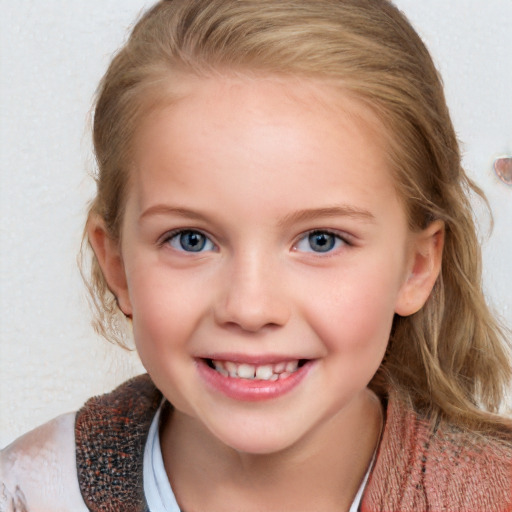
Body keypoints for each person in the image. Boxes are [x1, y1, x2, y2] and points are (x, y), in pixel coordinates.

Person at [1, 0, 511, 510]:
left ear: (416, 266)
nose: (250, 308)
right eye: (190, 240)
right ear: (117, 264)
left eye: (321, 240)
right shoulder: (32, 491)